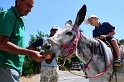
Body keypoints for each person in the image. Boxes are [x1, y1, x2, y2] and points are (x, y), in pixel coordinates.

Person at [0, 0, 45, 82]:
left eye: (31, 7)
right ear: (18, 2)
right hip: (6, 66)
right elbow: (2, 44)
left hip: (14, 68)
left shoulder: (21, 20)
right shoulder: (7, 15)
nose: (30, 10)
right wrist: (30, 53)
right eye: (28, 5)